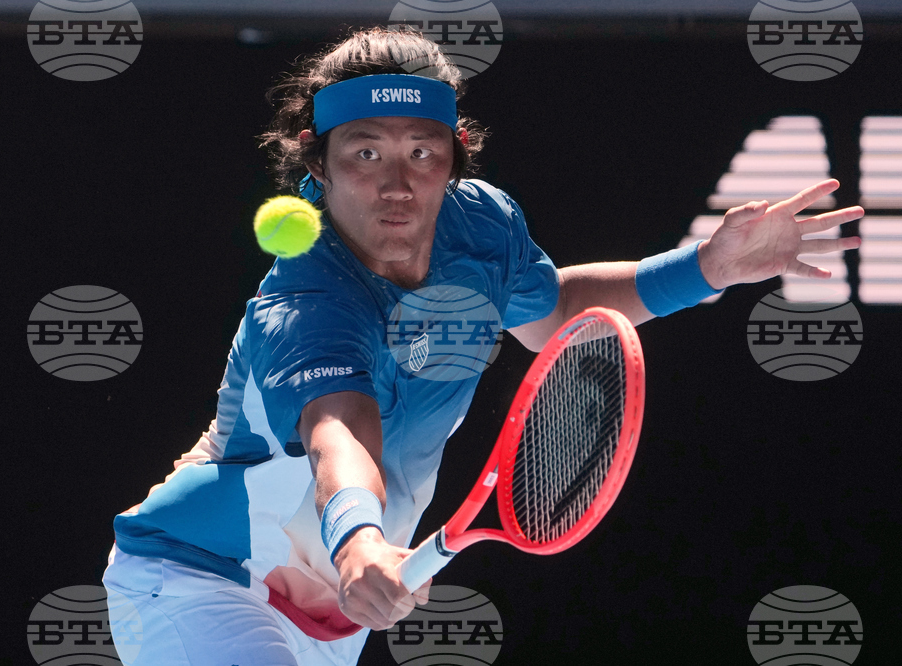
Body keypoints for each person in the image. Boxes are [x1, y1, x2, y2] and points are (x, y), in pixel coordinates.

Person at [102, 25, 863, 666]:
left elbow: (552, 312)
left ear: (456, 153)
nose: (397, 185)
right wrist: (363, 541)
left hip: (331, 611)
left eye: (423, 152)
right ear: (316, 159)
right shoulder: (310, 299)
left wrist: (707, 267)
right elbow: (341, 437)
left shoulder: (483, 227)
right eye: (365, 153)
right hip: (201, 575)